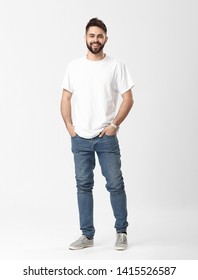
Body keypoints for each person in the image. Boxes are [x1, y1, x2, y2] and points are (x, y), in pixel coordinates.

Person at [61, 18, 135, 250]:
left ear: (106, 38)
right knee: (83, 185)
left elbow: (128, 98)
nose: (95, 40)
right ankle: (87, 236)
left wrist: (114, 124)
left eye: (100, 36)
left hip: (106, 137)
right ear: (85, 37)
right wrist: (69, 126)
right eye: (92, 36)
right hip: (80, 138)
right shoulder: (74, 66)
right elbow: (65, 97)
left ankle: (121, 232)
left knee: (115, 184)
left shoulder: (116, 66)